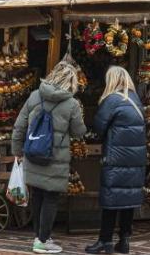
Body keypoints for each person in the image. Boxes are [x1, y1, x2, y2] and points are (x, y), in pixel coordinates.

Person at [12, 62, 86, 255]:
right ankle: (42, 241)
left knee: (38, 196)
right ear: (71, 82)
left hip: (33, 154)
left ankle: (40, 236)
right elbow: (79, 132)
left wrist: (17, 150)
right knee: (51, 199)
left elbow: (19, 126)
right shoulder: (72, 104)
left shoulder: (35, 96)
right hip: (55, 158)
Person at [85, 66, 146, 254]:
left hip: (115, 158)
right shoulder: (135, 100)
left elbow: (99, 127)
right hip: (135, 161)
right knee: (127, 199)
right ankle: (124, 240)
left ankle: (105, 241)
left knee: (111, 200)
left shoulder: (112, 100)